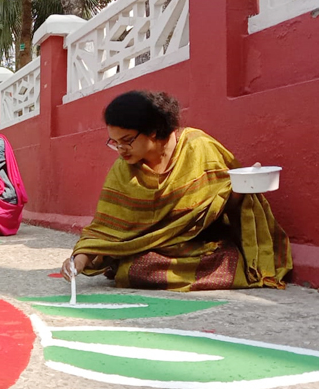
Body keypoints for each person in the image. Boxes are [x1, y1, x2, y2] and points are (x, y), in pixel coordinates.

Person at [59, 91, 293, 291]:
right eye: (114, 142)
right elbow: (106, 229)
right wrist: (78, 261)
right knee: (136, 267)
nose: (121, 149)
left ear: (152, 131)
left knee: (228, 261)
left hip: (202, 246)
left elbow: (225, 205)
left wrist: (242, 189)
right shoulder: (123, 169)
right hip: (152, 252)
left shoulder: (198, 146)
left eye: (127, 140)